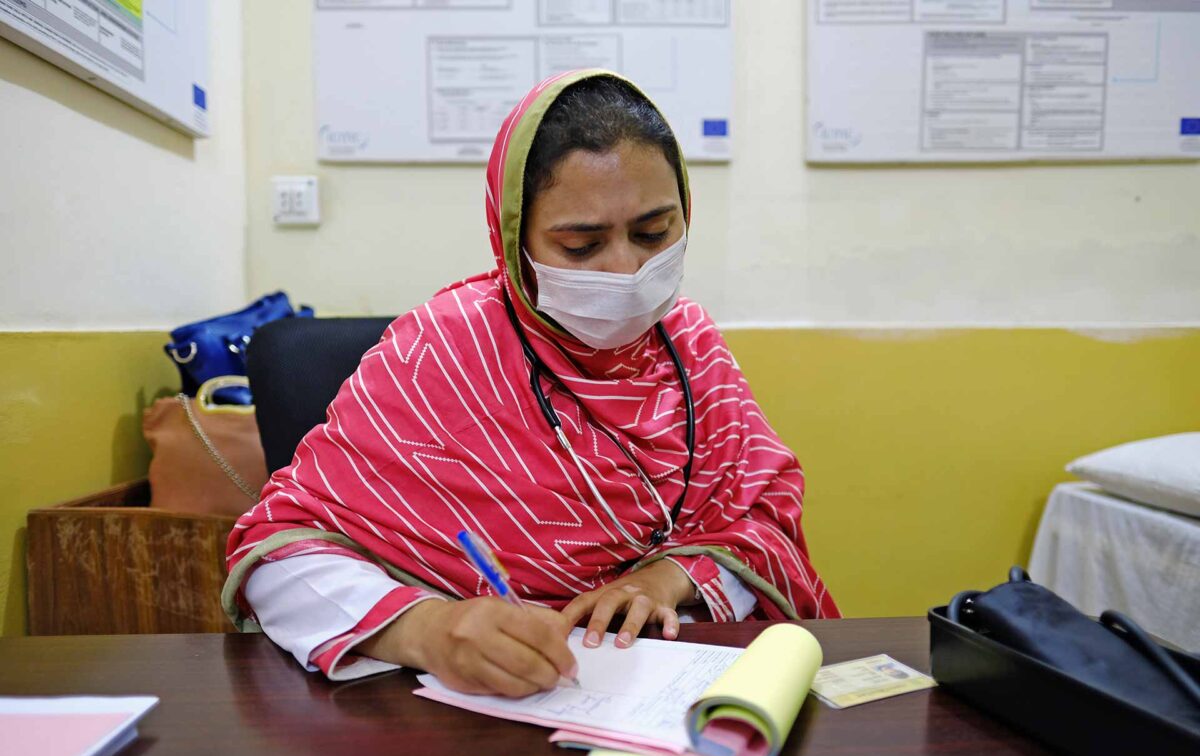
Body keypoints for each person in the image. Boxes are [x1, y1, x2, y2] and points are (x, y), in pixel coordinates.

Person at [223, 69, 838, 697]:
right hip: (466, 721)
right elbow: (280, 549)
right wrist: (425, 628)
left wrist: (669, 578)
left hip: (668, 698)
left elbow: (763, 518)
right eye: (580, 245)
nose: (626, 269)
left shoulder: (690, 343)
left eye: (654, 233)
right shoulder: (443, 352)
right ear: (514, 240)